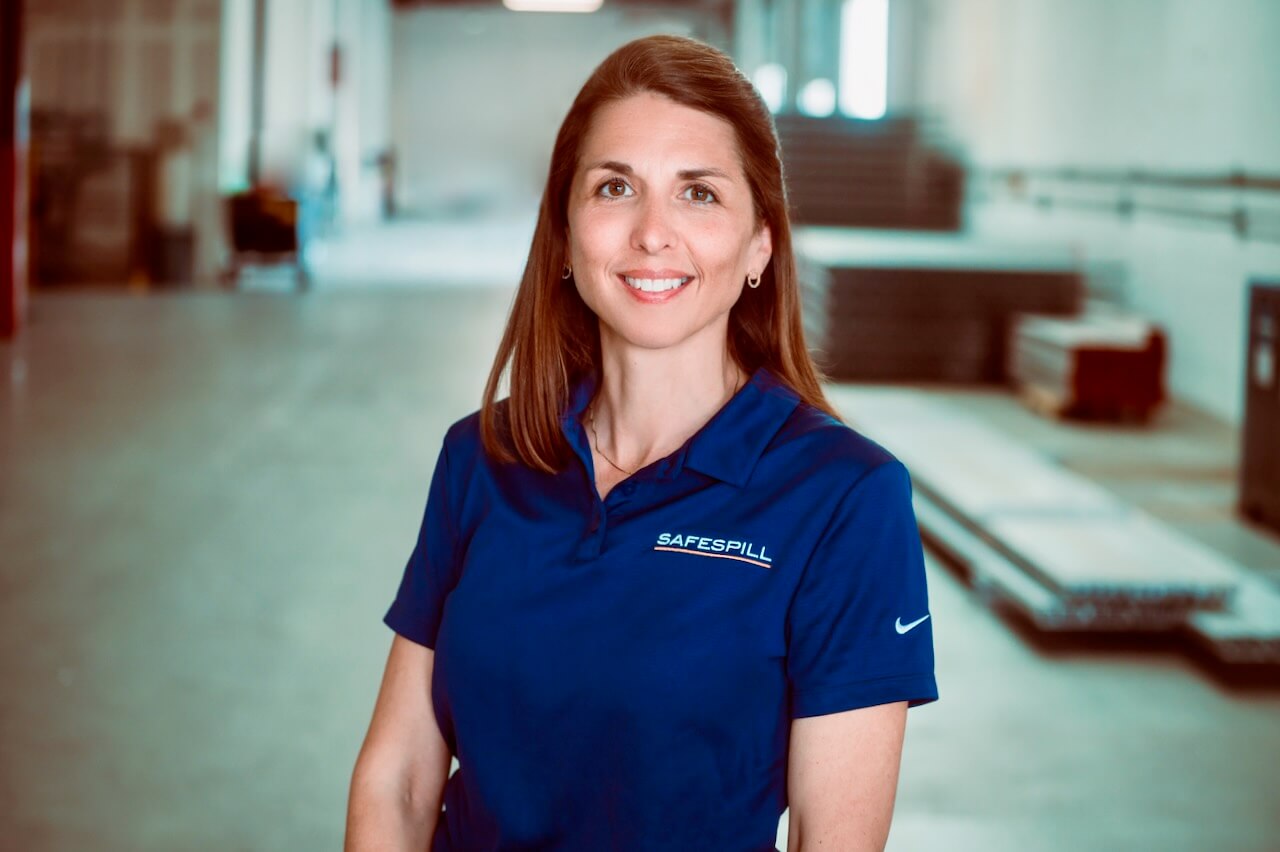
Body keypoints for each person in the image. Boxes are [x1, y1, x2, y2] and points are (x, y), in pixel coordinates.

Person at [345, 34, 938, 852]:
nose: (653, 234)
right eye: (615, 187)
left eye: (699, 194)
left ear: (760, 242)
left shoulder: (845, 498)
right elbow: (402, 779)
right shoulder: (482, 458)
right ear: (566, 229)